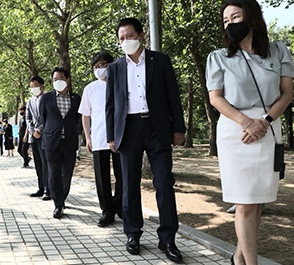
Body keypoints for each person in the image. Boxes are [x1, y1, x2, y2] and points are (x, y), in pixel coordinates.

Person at [205, 1, 294, 264]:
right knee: (243, 203)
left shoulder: (278, 51)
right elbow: (216, 98)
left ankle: (238, 257)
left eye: (235, 16)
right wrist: (246, 122)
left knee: (257, 202)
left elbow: (287, 92)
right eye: (225, 20)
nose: (230, 23)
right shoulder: (219, 57)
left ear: (251, 18)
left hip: (268, 128)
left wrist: (264, 121)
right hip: (235, 132)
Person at [105, 18, 186, 262]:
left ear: (141, 35)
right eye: (121, 38)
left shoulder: (160, 60)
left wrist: (178, 128)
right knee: (129, 184)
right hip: (129, 129)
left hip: (157, 127)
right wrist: (111, 136)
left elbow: (173, 94)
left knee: (163, 183)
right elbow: (110, 105)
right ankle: (132, 233)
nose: (125, 41)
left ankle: (168, 238)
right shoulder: (115, 68)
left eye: (129, 36)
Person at [79, 51, 123, 227]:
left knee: (122, 175)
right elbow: (85, 115)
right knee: (101, 177)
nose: (101, 69)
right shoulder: (90, 88)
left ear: (111, 65)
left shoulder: (120, 83)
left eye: (104, 65)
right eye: (97, 66)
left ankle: (119, 205)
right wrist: (87, 137)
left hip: (120, 137)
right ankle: (107, 210)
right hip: (98, 138)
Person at [35, 67, 82, 219]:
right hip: (51, 141)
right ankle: (58, 204)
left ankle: (62, 198)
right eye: (55, 80)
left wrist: (78, 131)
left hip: (69, 141)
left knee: (66, 173)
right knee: (53, 173)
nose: (57, 82)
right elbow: (42, 119)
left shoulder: (76, 98)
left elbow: (79, 118)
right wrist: (42, 130)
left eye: (60, 79)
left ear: (67, 79)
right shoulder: (46, 98)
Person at [26, 76, 51, 201]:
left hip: (45, 135)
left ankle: (48, 189)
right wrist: (32, 131)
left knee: (46, 163)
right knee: (38, 164)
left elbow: (50, 117)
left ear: (42, 86)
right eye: (31, 86)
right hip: (34, 138)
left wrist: (40, 130)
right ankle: (41, 187)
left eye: (35, 85)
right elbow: (28, 118)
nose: (33, 88)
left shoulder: (48, 99)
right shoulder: (30, 101)